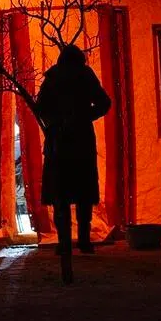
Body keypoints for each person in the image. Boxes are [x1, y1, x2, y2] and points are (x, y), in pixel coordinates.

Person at [35, 43, 111, 257]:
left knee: (62, 194)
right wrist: (84, 117)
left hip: (60, 141)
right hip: (79, 141)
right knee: (81, 193)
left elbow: (40, 107)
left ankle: (65, 242)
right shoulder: (84, 75)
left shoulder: (53, 77)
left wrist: (55, 124)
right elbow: (104, 102)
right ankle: (83, 241)